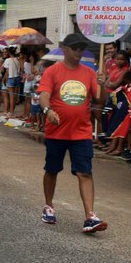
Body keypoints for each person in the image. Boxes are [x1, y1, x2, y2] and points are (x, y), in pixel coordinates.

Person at [38, 33, 108, 233]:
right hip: (56, 132)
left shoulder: (89, 73)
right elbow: (44, 95)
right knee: (52, 170)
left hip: (81, 133)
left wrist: (102, 85)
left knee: (85, 172)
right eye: (75, 48)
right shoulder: (52, 71)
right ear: (65, 49)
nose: (78, 52)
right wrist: (47, 110)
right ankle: (49, 206)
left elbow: (100, 100)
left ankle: (90, 217)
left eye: (81, 49)